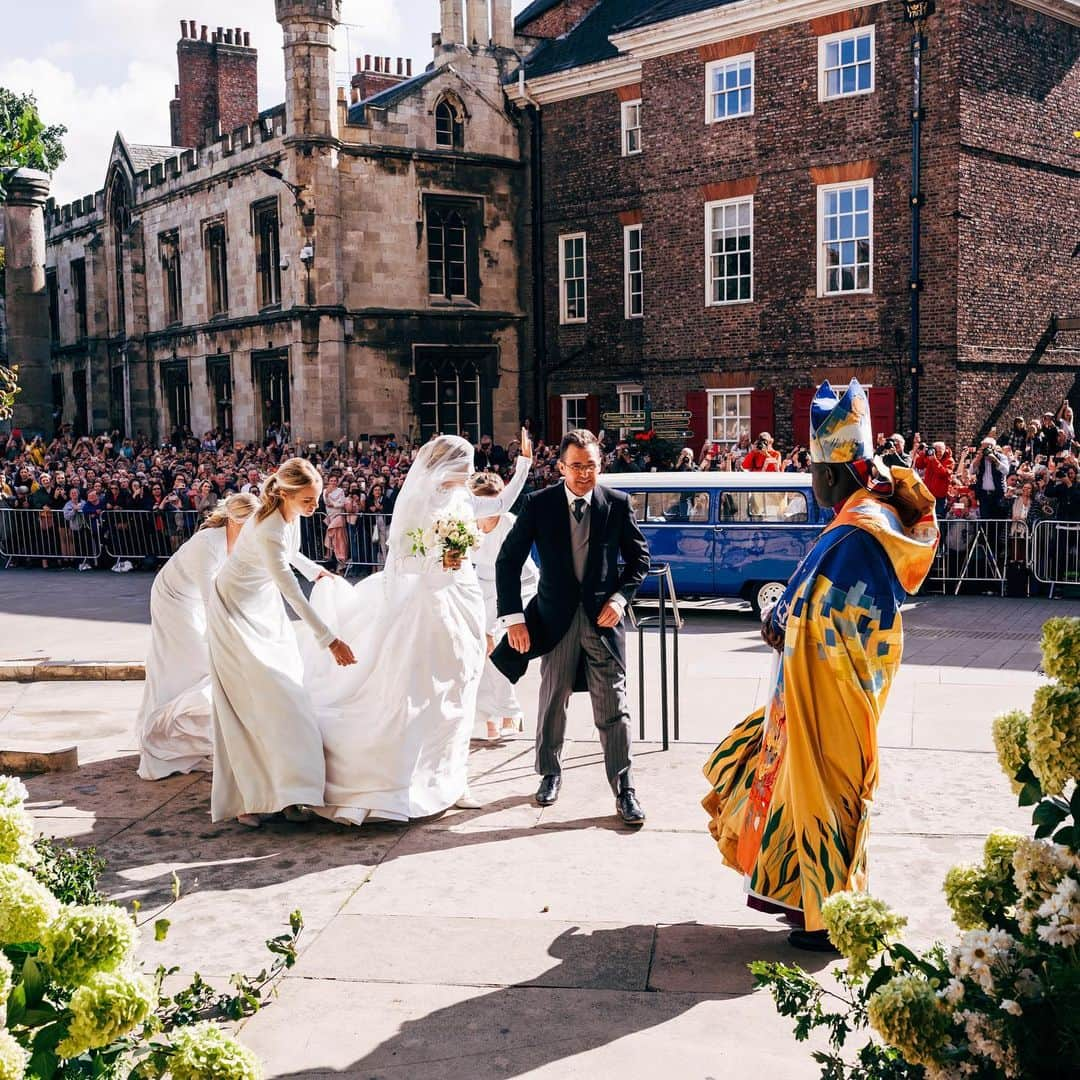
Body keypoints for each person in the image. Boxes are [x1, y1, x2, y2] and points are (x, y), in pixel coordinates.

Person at [702, 379, 938, 951]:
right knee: (808, 789)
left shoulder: (854, 533)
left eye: (813, 471)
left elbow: (813, 617)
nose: (811, 481)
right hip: (840, 689)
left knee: (822, 795)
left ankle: (826, 915)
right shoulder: (872, 520)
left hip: (828, 695)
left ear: (832, 475)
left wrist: (777, 620)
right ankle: (804, 901)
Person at [299, 436, 488, 826]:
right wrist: (439, 561)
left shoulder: (462, 499)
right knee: (417, 695)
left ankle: (451, 779)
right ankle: (403, 784)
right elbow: (401, 559)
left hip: (461, 597)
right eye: (463, 465)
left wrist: (461, 554)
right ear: (444, 465)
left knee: (460, 689)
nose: (469, 472)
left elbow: (473, 537)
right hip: (424, 605)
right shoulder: (417, 498)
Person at [492, 428, 651, 826]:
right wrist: (514, 619)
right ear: (561, 467)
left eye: (591, 465)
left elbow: (639, 561)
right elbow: (507, 561)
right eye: (576, 466)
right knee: (552, 700)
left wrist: (620, 598)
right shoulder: (538, 504)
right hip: (554, 620)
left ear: (601, 464)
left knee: (614, 706)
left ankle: (624, 786)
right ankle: (549, 772)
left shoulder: (617, 503)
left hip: (603, 623)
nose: (584, 473)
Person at [207, 458, 356, 827]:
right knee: (254, 703)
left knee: (288, 698)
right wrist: (330, 640)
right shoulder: (269, 528)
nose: (315, 507)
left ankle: (289, 793)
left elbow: (290, 559)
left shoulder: (289, 519)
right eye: (308, 500)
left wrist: (316, 570)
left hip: (262, 608)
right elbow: (290, 590)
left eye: (316, 498)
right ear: (287, 495)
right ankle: (250, 798)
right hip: (232, 611)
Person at [137, 493, 258, 781]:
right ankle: (169, 732)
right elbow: (210, 599)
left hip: (193, 598)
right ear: (233, 520)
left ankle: (188, 733)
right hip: (173, 598)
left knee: (195, 664)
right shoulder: (208, 544)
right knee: (192, 662)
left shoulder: (241, 540)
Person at [470, 469, 540, 742]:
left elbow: (508, 574)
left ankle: (509, 712)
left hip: (517, 587)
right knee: (478, 651)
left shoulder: (509, 524)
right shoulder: (468, 524)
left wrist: (490, 625)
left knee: (496, 648)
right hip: (482, 586)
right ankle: (489, 718)